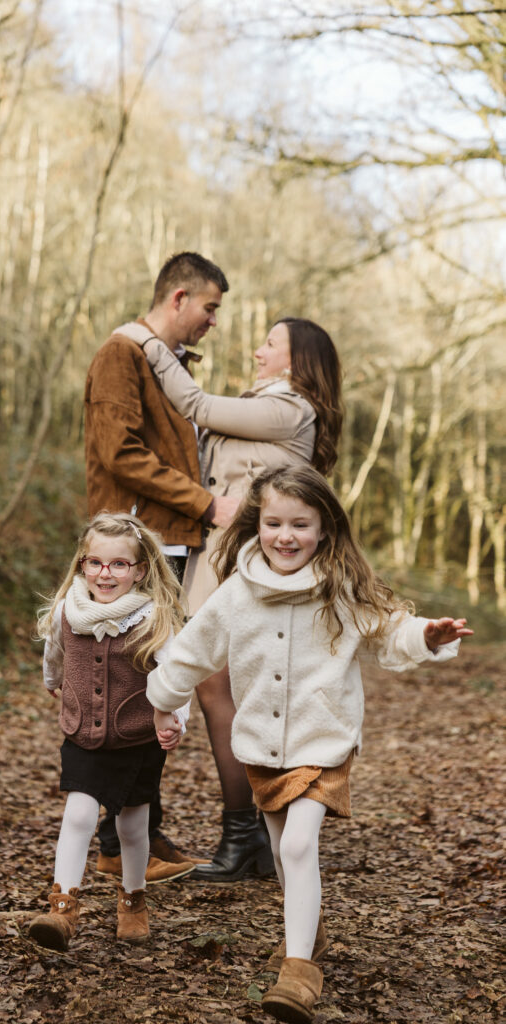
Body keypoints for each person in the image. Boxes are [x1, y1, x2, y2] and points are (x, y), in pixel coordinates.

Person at [146, 465, 472, 1022]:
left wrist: (427, 636)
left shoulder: (340, 587)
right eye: (274, 523)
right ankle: (310, 935)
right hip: (262, 744)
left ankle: (299, 972)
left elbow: (390, 629)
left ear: (324, 528)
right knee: (279, 849)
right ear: (256, 526)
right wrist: (163, 701)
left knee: (297, 848)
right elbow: (191, 651)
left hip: (324, 739)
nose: (286, 536)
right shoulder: (237, 592)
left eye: (301, 523)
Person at [133, 317, 343, 881]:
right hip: (219, 553)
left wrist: (148, 341)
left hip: (250, 556)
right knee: (220, 687)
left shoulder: (291, 409)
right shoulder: (264, 405)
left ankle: (250, 831)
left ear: (296, 361)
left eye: (269, 343)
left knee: (222, 686)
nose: (257, 350)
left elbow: (196, 405)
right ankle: (248, 833)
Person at [84, 252, 240, 881]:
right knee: (136, 690)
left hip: (169, 541)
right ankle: (116, 840)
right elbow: (118, 453)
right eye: (209, 309)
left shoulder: (169, 364)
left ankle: (132, 832)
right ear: (178, 298)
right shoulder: (122, 355)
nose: (211, 322)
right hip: (135, 543)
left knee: (156, 687)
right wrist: (207, 502)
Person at [28, 512, 192, 952]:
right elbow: (55, 653)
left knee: (133, 827)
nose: (106, 573)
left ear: (140, 570)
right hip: (82, 734)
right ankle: (62, 908)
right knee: (78, 815)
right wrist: (53, 682)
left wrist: (176, 719)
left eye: (119, 564)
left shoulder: (154, 617)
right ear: (82, 564)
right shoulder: (68, 609)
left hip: (138, 738)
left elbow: (178, 675)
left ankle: (133, 900)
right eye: (96, 562)